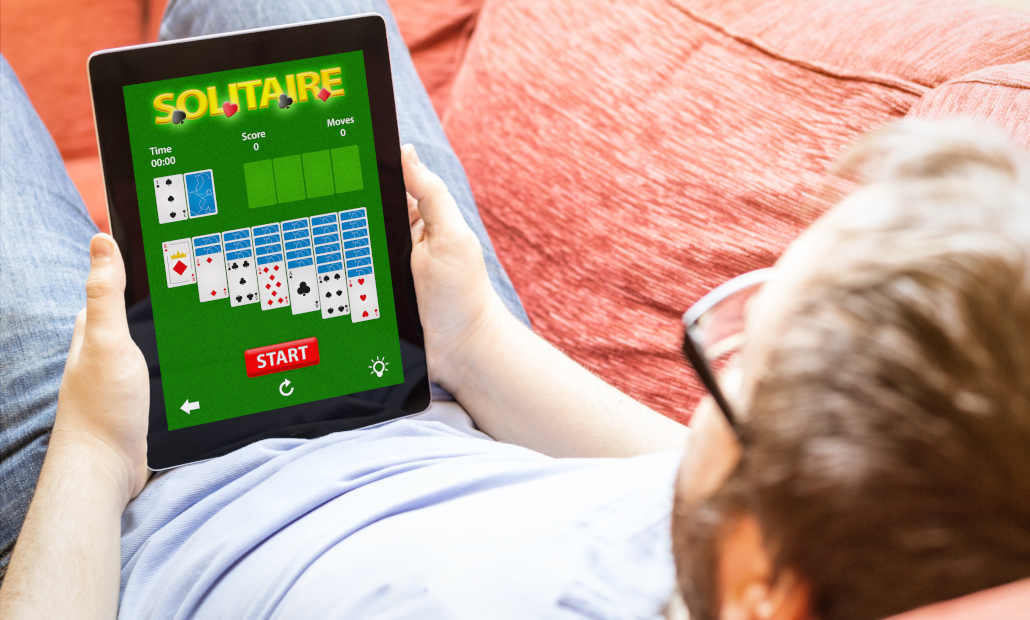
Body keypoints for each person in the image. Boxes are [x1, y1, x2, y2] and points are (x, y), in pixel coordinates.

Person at [1, 3, 1029, 620]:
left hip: (120, 502)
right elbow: (676, 472)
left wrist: (93, 441)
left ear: (768, 583)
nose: (727, 325)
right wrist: (476, 340)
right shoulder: (813, 530)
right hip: (421, 383)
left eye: (741, 358)